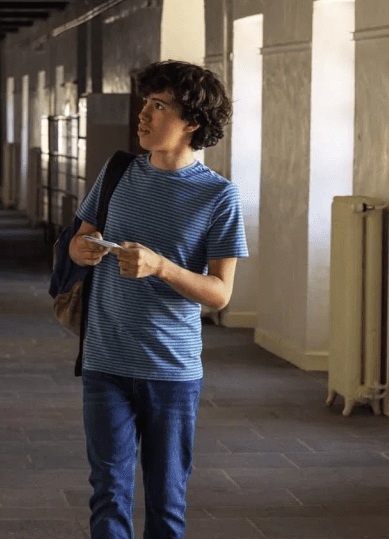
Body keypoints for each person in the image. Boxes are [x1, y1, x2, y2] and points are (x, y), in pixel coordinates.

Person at [68, 60, 247, 539]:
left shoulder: (218, 197)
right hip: (105, 361)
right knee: (107, 494)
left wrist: (162, 267)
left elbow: (220, 294)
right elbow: (80, 238)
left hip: (170, 370)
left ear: (192, 121)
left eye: (159, 105)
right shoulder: (117, 171)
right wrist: (81, 250)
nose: (143, 115)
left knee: (166, 503)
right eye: (145, 103)